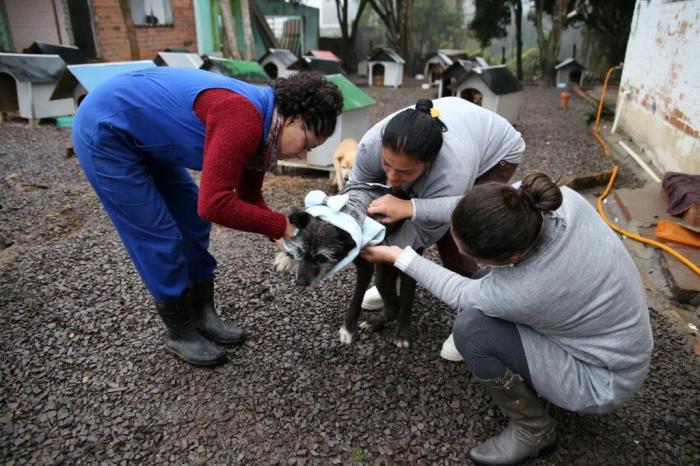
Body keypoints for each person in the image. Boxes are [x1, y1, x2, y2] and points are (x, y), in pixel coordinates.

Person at [361, 172, 653, 465]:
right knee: (485, 280)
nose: (464, 254)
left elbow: (463, 294)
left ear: (513, 257)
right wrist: (411, 208)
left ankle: (534, 429)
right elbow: (476, 207)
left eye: (470, 253)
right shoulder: (543, 202)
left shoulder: (528, 288)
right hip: (616, 338)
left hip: (600, 378)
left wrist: (399, 257)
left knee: (472, 329)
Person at [72, 67, 343, 366]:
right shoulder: (243, 118)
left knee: (191, 218)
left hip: (145, 136)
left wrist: (277, 234)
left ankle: (202, 313)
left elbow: (247, 197)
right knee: (159, 234)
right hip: (107, 129)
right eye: (307, 145)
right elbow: (215, 203)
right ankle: (180, 331)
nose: (304, 155)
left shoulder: (266, 130)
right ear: (294, 119)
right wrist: (283, 225)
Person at [348, 97, 525, 359]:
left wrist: (389, 250)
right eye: (386, 165)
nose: (392, 179)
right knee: (395, 209)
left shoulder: (450, 171)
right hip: (462, 127)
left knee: (460, 233)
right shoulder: (371, 145)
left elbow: (426, 231)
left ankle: (472, 316)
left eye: (405, 172)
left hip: (498, 152)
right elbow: (357, 191)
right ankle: (390, 293)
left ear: (429, 165)